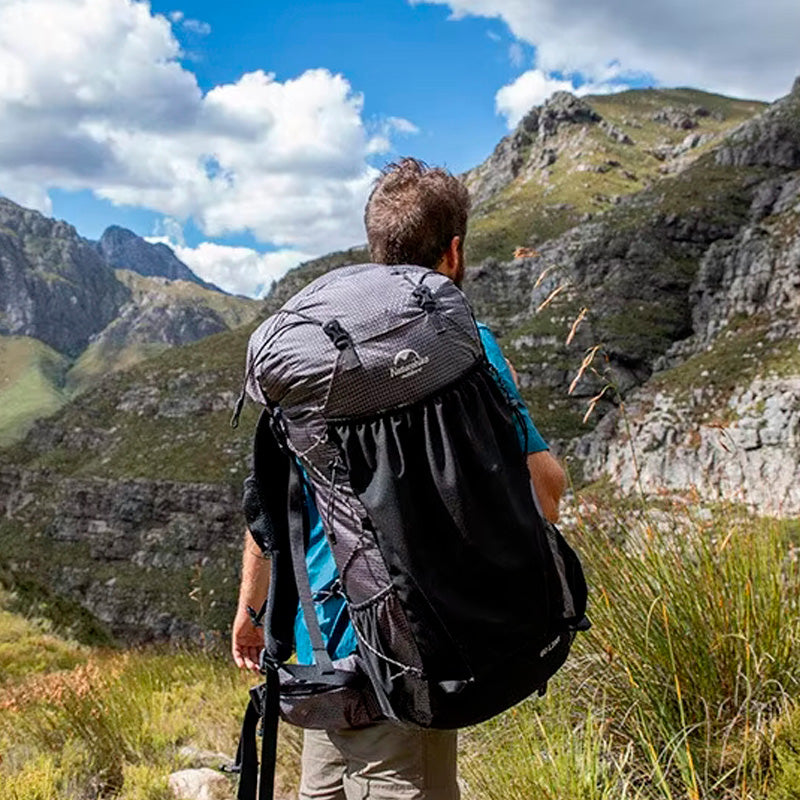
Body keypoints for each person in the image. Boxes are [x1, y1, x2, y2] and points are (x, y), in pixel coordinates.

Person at [232, 158, 566, 800]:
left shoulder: (318, 360)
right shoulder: (464, 346)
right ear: (455, 251)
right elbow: (544, 494)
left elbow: (273, 509)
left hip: (318, 645)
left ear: (375, 248)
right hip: (412, 638)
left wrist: (251, 611)